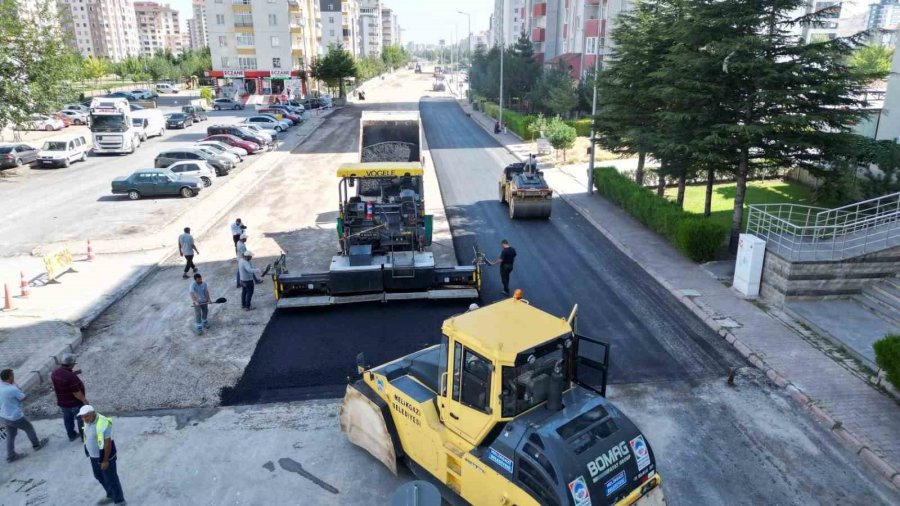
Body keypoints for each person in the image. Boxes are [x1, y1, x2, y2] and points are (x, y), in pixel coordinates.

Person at [78, 405, 125, 505]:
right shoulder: (87, 421)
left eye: (86, 416)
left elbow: (107, 444)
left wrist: (105, 460)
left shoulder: (104, 422)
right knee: (99, 476)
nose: (84, 419)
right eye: (82, 416)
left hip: (104, 457)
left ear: (93, 413)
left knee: (111, 478)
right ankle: (111, 495)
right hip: (93, 456)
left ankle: (119, 500)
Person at [0, 369, 48, 462]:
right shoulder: (12, 389)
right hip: (15, 416)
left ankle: (11, 455)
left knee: (11, 434)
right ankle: (36, 445)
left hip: (4, 415)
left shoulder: (1, 385)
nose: (14, 376)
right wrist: (16, 386)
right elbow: (23, 398)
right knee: (29, 428)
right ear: (9, 377)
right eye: (12, 375)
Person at [51, 354, 87, 441]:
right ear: (70, 364)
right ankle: (84, 437)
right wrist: (84, 400)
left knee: (68, 419)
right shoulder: (71, 377)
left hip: (63, 403)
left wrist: (74, 373)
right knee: (81, 419)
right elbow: (76, 392)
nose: (74, 365)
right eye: (74, 363)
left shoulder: (55, 373)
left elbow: (64, 379)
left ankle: (71, 435)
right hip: (74, 403)